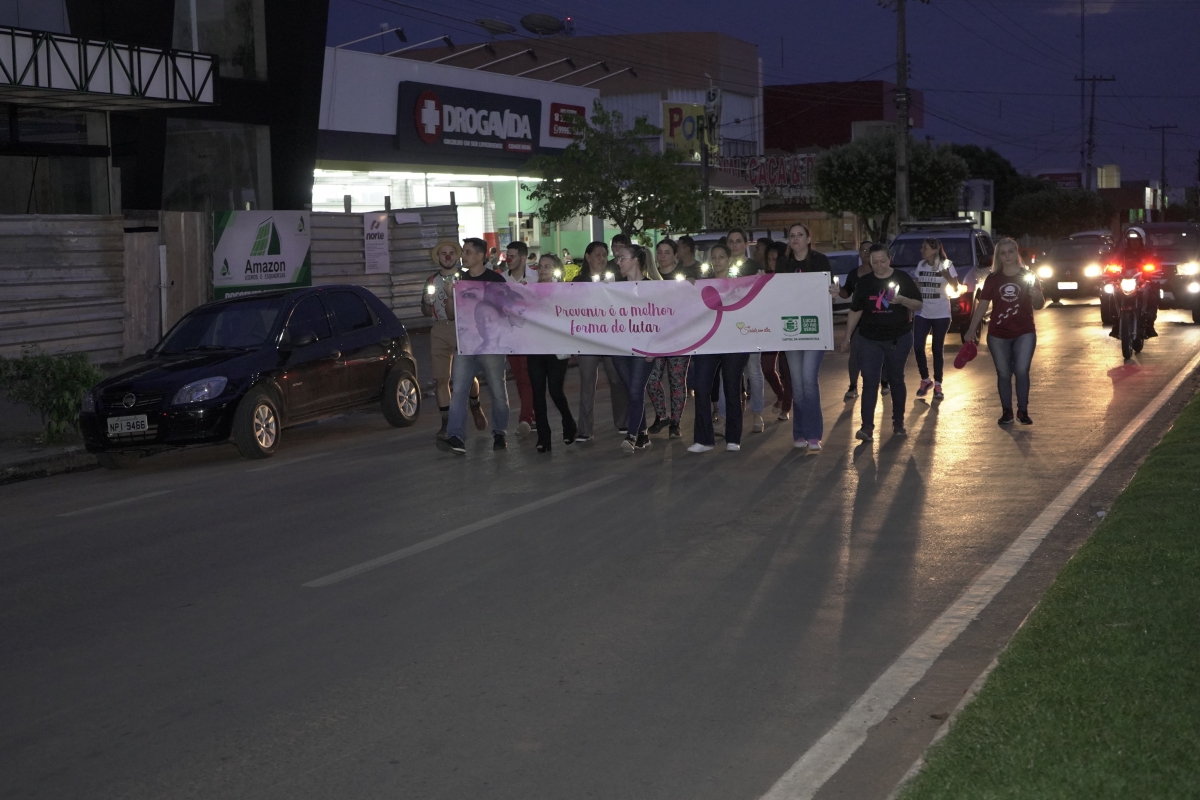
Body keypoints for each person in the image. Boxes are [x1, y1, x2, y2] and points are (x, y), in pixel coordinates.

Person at [840, 244, 923, 441]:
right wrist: (847, 337)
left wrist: (901, 300)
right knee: (870, 381)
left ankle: (898, 422)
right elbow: (856, 311)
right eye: (875, 262)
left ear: (890, 259)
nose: (879, 266)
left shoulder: (902, 278)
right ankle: (866, 427)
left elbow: (918, 304)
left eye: (883, 261)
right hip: (869, 339)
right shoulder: (865, 282)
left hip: (898, 338)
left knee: (896, 379)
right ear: (870, 261)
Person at [438, 238, 511, 455]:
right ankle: (456, 436)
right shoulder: (459, 279)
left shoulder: (495, 280)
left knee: (497, 392)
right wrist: (450, 296)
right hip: (466, 345)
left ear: (480, 256)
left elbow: (507, 309)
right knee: (459, 390)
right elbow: (451, 315)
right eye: (463, 252)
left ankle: (500, 432)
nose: (463, 256)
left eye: (468, 252)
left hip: (491, 346)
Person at [964, 237, 1044, 426]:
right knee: (1004, 373)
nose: (1007, 256)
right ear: (998, 256)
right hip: (998, 334)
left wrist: (1037, 295)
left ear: (1017, 253)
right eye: (1003, 253)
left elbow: (1039, 305)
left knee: (1022, 370)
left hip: (1024, 331)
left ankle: (1023, 411)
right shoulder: (993, 279)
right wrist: (971, 329)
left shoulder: (1029, 276)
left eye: (1011, 251)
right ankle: (1007, 412)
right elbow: (982, 305)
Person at [778, 223, 838, 451]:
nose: (795, 239)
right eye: (791, 235)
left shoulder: (820, 261)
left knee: (808, 380)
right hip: (790, 329)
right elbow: (775, 293)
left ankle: (814, 434)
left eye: (800, 235)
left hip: (815, 329)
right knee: (797, 384)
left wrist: (833, 291)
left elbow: (830, 290)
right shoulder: (783, 263)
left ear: (808, 239)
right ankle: (800, 433)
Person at [688, 243, 749, 453]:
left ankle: (733, 437)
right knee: (701, 387)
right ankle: (703, 439)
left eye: (721, 257)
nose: (717, 261)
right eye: (713, 257)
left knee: (732, 388)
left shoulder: (740, 284)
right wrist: (689, 287)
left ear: (729, 259)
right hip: (708, 342)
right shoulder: (702, 284)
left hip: (734, 342)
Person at [421, 240, 485, 438]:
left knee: (467, 375)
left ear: (457, 256)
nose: (447, 257)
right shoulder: (431, 280)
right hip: (440, 328)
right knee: (441, 379)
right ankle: (446, 422)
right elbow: (425, 311)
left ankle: (475, 404)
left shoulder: (466, 277)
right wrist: (427, 303)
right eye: (443, 253)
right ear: (438, 258)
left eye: (451, 253)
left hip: (463, 327)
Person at [573, 241, 628, 439]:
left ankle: (623, 421)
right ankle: (585, 429)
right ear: (587, 257)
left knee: (617, 379)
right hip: (588, 339)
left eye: (604, 255)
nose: (602, 258)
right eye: (597, 254)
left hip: (611, 338)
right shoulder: (578, 281)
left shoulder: (615, 279)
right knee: (587, 382)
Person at [610, 245, 662, 453]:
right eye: (618, 258)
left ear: (635, 260)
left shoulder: (652, 287)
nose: (618, 262)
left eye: (622, 257)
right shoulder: (617, 287)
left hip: (643, 347)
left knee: (635, 390)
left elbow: (660, 318)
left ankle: (631, 436)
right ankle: (643, 434)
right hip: (620, 348)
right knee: (633, 391)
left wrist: (655, 347)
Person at [527, 254, 577, 452]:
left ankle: (568, 422)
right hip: (535, 347)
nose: (543, 269)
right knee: (537, 393)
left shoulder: (564, 291)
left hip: (557, 349)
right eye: (540, 266)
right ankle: (543, 437)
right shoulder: (530, 290)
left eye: (547, 266)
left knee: (555, 391)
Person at [840, 240, 888, 401]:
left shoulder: (882, 273)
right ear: (859, 254)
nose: (866, 253)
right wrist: (836, 289)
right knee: (855, 354)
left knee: (883, 353)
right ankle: (853, 385)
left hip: (879, 319)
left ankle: (884, 382)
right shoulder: (854, 273)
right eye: (863, 250)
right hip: (859, 321)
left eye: (869, 250)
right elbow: (846, 293)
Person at [503, 241, 538, 435]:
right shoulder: (501, 279)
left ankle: (525, 418)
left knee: (526, 376)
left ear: (523, 258)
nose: (508, 259)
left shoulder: (535, 278)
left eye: (512, 256)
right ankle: (532, 414)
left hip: (530, 334)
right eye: (507, 255)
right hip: (510, 335)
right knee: (519, 377)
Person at [760, 241, 792, 421]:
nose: (772, 263)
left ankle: (786, 407)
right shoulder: (763, 277)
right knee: (767, 367)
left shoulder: (789, 278)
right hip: (769, 329)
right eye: (770, 259)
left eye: (776, 259)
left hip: (787, 327)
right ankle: (781, 395)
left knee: (787, 370)